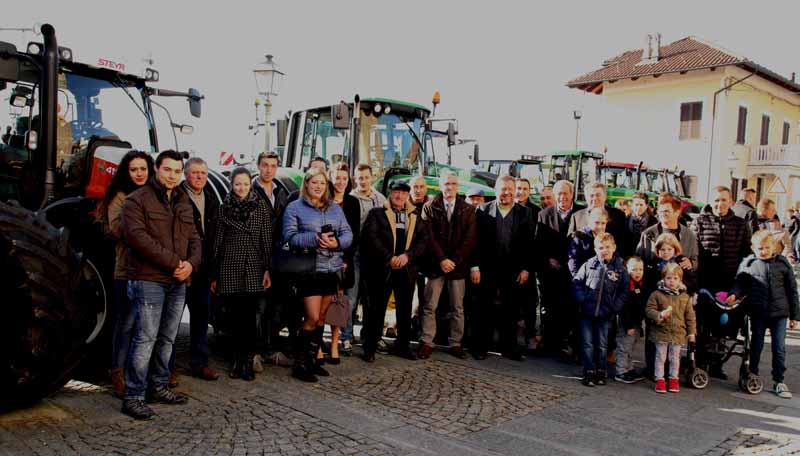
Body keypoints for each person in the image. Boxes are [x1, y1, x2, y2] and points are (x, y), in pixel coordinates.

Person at [120, 150, 200, 420]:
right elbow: (137, 238)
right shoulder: (136, 201)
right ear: (157, 169)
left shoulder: (183, 200)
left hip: (178, 280)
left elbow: (195, 238)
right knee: (145, 338)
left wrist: (191, 264)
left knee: (167, 338)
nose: (173, 175)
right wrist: (174, 263)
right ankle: (133, 396)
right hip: (148, 279)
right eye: (168, 170)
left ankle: (159, 386)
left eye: (177, 171)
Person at [283, 168, 353, 382]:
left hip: (331, 270)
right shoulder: (294, 207)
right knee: (312, 317)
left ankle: (312, 360)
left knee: (322, 318)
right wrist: (315, 238)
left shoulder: (335, 208)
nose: (318, 187)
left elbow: (348, 234)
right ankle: (300, 363)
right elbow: (289, 237)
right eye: (314, 183)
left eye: (322, 183)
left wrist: (337, 243)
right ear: (307, 184)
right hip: (309, 270)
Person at [96, 150, 154, 398]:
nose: (139, 173)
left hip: (152, 270)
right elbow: (120, 230)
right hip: (127, 269)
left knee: (147, 326)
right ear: (126, 172)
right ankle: (118, 371)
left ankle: (141, 372)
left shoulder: (154, 194)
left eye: (143, 169)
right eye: (134, 169)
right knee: (126, 323)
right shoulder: (119, 197)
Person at [211, 167, 273, 381]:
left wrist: (267, 269)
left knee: (250, 318)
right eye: (238, 184)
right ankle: (237, 360)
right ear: (232, 185)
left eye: (245, 184)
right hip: (230, 267)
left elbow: (266, 240)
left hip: (254, 267)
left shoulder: (261, 207)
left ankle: (247, 360)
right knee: (234, 318)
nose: (242, 188)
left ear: (250, 184)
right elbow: (217, 243)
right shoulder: (223, 209)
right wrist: (215, 274)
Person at [360, 181, 427, 362]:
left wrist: (408, 256)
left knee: (405, 310)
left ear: (408, 195)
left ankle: (403, 346)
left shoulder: (414, 215)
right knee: (376, 309)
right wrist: (389, 257)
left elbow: (423, 240)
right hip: (383, 268)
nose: (399, 196)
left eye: (404, 193)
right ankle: (370, 347)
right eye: (396, 193)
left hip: (406, 268)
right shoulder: (377, 213)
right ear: (391, 194)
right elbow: (371, 237)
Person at [728, 230, 799, 399]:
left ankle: (779, 380)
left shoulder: (782, 263)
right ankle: (752, 373)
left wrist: (795, 316)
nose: (763, 251)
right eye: (760, 248)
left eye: (767, 248)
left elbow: (792, 290)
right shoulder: (750, 263)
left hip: (779, 313)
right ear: (753, 248)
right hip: (758, 311)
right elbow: (740, 283)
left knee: (779, 348)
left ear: (774, 246)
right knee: (756, 345)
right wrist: (734, 294)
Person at [472, 175, 533, 360]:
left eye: (509, 189)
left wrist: (526, 268)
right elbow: (475, 242)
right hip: (487, 269)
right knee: (484, 309)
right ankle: (480, 347)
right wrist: (474, 266)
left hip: (513, 270)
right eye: (502, 189)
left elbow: (529, 244)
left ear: (514, 191)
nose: (506, 193)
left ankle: (509, 348)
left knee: (511, 310)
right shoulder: (482, 210)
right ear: (496, 190)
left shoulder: (525, 213)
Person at [418, 171, 477, 360]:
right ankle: (427, 341)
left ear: (457, 186)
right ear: (440, 186)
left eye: (453, 184)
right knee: (429, 305)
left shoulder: (467, 209)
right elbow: (428, 237)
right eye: (446, 184)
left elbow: (469, 239)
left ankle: (455, 343)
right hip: (435, 265)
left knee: (458, 307)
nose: (449, 187)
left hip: (457, 267)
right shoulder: (429, 207)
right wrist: (442, 259)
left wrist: (455, 260)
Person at [170, 157, 219, 383]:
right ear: (186, 174)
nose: (199, 177)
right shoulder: (176, 198)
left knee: (201, 317)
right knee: (172, 320)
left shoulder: (210, 200)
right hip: (182, 267)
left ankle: (199, 362)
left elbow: (214, 238)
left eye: (203, 173)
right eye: (195, 173)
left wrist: (214, 271)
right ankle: (167, 367)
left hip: (203, 269)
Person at [572, 233, 628, 387]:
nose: (604, 250)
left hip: (605, 314)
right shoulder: (588, 265)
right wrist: (581, 298)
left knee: (602, 345)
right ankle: (589, 371)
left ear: (614, 248)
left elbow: (624, 291)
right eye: (601, 247)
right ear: (595, 249)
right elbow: (577, 282)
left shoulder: (620, 269)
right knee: (587, 343)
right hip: (587, 312)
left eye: (607, 247)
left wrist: (615, 306)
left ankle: (601, 371)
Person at [342, 164, 386, 355]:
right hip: (356, 254)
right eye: (359, 178)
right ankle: (346, 336)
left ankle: (372, 335)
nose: (363, 181)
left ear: (372, 177)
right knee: (351, 298)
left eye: (366, 177)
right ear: (355, 179)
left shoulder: (380, 199)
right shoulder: (350, 199)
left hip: (374, 256)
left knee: (372, 300)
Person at [536, 180, 584, 356]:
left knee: (571, 309)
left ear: (572, 194)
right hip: (551, 270)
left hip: (573, 270)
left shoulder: (581, 213)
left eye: (565, 193)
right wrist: (549, 259)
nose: (562, 197)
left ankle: (570, 344)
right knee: (550, 307)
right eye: (559, 194)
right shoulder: (544, 214)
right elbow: (540, 241)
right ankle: (551, 344)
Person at [252, 152, 291, 368]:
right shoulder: (250, 191)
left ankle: (270, 349)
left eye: (273, 166)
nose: (268, 169)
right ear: (258, 166)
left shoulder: (282, 192)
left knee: (276, 307)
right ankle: (255, 351)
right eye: (265, 165)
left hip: (278, 257)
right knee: (258, 306)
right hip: (257, 256)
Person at [327, 163, 361, 364]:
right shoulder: (325, 200)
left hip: (344, 259)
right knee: (323, 302)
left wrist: (345, 260)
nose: (340, 182)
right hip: (323, 257)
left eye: (344, 178)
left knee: (340, 302)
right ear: (331, 178)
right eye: (337, 178)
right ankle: (319, 341)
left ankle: (337, 342)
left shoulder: (353, 203)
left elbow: (354, 233)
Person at [645, 263, 696, 394]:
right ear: (663, 279)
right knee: (660, 357)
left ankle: (673, 378)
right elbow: (649, 310)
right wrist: (659, 315)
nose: (671, 281)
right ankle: (660, 379)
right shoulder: (657, 294)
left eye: (675, 278)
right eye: (668, 278)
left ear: (680, 280)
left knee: (675, 358)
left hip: (677, 333)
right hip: (661, 331)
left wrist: (691, 333)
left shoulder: (685, 297)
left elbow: (690, 316)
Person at [690, 186, 751, 295]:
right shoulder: (698, 222)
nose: (720, 204)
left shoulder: (741, 224)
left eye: (724, 200)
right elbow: (693, 252)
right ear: (710, 201)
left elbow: (746, 253)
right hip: (705, 280)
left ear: (731, 202)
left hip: (731, 282)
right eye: (717, 200)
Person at [636, 194, 698, 272]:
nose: (662, 214)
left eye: (666, 211)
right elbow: (638, 259)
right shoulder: (648, 234)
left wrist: (691, 263)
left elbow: (695, 260)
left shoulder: (689, 235)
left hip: (680, 281)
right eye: (660, 211)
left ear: (677, 212)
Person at [515, 177, 541, 354]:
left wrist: (527, 266)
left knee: (530, 302)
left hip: (528, 263)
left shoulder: (535, 211)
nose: (521, 192)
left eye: (525, 189)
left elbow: (534, 242)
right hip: (509, 262)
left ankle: (530, 335)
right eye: (519, 188)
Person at [614, 257, 647, 384]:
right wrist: (629, 325)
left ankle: (629, 367)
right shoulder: (626, 286)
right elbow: (624, 308)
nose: (638, 272)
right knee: (624, 347)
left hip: (636, 323)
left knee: (632, 347)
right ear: (627, 270)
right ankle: (621, 371)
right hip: (627, 324)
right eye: (634, 269)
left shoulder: (639, 285)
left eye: (640, 269)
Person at [568, 207, 609, 277]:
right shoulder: (580, 237)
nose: (600, 226)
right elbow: (573, 261)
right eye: (597, 222)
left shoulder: (607, 238)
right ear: (589, 221)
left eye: (603, 223)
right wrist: (579, 279)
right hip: (584, 279)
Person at [625, 192, 656, 257]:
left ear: (646, 205)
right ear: (632, 205)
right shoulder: (626, 220)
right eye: (636, 204)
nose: (638, 207)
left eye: (641, 205)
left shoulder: (653, 221)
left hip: (647, 256)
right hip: (629, 255)